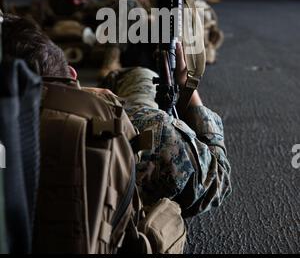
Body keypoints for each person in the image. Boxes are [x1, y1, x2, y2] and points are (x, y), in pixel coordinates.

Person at [2, 14, 231, 217]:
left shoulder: (12, 135)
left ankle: (111, 76)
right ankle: (111, 78)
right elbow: (217, 182)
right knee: (142, 77)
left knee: (137, 78)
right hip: (124, 125)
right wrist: (189, 91)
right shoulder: (150, 129)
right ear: (72, 74)